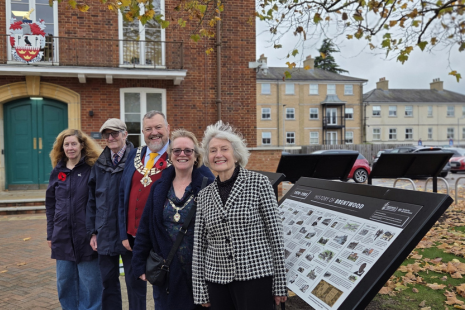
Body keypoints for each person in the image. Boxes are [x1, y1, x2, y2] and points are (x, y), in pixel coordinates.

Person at [192, 121, 287, 310]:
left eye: (224, 149)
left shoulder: (259, 183)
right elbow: (199, 246)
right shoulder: (204, 195)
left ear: (235, 154)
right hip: (217, 282)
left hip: (255, 278)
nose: (218, 155)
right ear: (208, 158)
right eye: (213, 151)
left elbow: (275, 236)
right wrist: (200, 290)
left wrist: (279, 284)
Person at [132, 129, 214, 310]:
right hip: (167, 272)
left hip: (199, 276)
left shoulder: (209, 186)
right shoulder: (159, 187)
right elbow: (145, 227)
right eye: (177, 150)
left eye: (188, 151)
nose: (182, 154)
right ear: (170, 155)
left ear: (196, 156)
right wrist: (138, 265)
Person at [117, 111, 172, 309]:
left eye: (158, 127)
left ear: (168, 129)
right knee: (134, 288)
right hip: (132, 238)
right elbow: (123, 194)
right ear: (142, 132)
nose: (153, 132)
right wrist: (123, 233)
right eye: (148, 129)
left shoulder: (179, 155)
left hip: (161, 239)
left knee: (163, 289)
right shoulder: (135, 154)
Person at [46, 129, 103, 310]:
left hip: (86, 237)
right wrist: (50, 234)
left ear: (81, 146)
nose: (70, 148)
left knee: (90, 285)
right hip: (62, 237)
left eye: (73, 144)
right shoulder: (57, 172)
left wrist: (96, 232)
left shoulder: (92, 170)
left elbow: (99, 204)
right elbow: (51, 205)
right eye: (66, 144)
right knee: (64, 284)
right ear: (62, 148)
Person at [86, 118, 134, 310]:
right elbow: (91, 201)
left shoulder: (137, 162)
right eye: (107, 134)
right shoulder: (99, 164)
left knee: (134, 284)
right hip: (104, 234)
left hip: (130, 235)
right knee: (109, 284)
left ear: (125, 134)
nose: (111, 137)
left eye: (115, 133)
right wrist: (93, 232)